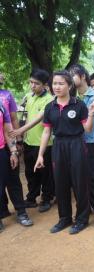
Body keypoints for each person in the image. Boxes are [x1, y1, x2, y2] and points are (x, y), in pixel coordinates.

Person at [34, 70, 94, 234]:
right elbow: (47, 132)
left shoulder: (79, 105)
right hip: (59, 146)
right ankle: (64, 218)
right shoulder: (50, 107)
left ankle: (82, 218)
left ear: (69, 86)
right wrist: (40, 155)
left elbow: (88, 128)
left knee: (79, 182)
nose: (57, 87)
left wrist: (91, 114)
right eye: (54, 83)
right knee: (61, 182)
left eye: (61, 83)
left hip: (77, 144)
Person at [9, 69, 54, 213]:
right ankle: (31, 197)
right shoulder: (28, 96)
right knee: (30, 172)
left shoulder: (50, 100)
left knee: (45, 173)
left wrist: (19, 131)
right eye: (31, 82)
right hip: (29, 141)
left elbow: (38, 119)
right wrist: (21, 138)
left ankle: (46, 198)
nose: (32, 86)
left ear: (45, 85)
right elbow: (21, 115)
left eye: (36, 83)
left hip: (45, 143)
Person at [70, 64, 94, 228]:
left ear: (82, 76)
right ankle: (84, 211)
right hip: (74, 144)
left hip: (90, 143)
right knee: (77, 180)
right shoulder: (71, 98)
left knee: (92, 178)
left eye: (72, 75)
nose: (69, 79)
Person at [0, 72, 33, 226]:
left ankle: (21, 211)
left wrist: (14, 147)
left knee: (13, 179)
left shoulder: (4, 98)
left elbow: (9, 125)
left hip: (5, 147)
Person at [0, 101, 21, 232]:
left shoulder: (1, 106)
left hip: (1, 151)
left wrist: (13, 152)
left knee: (2, 185)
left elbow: (8, 131)